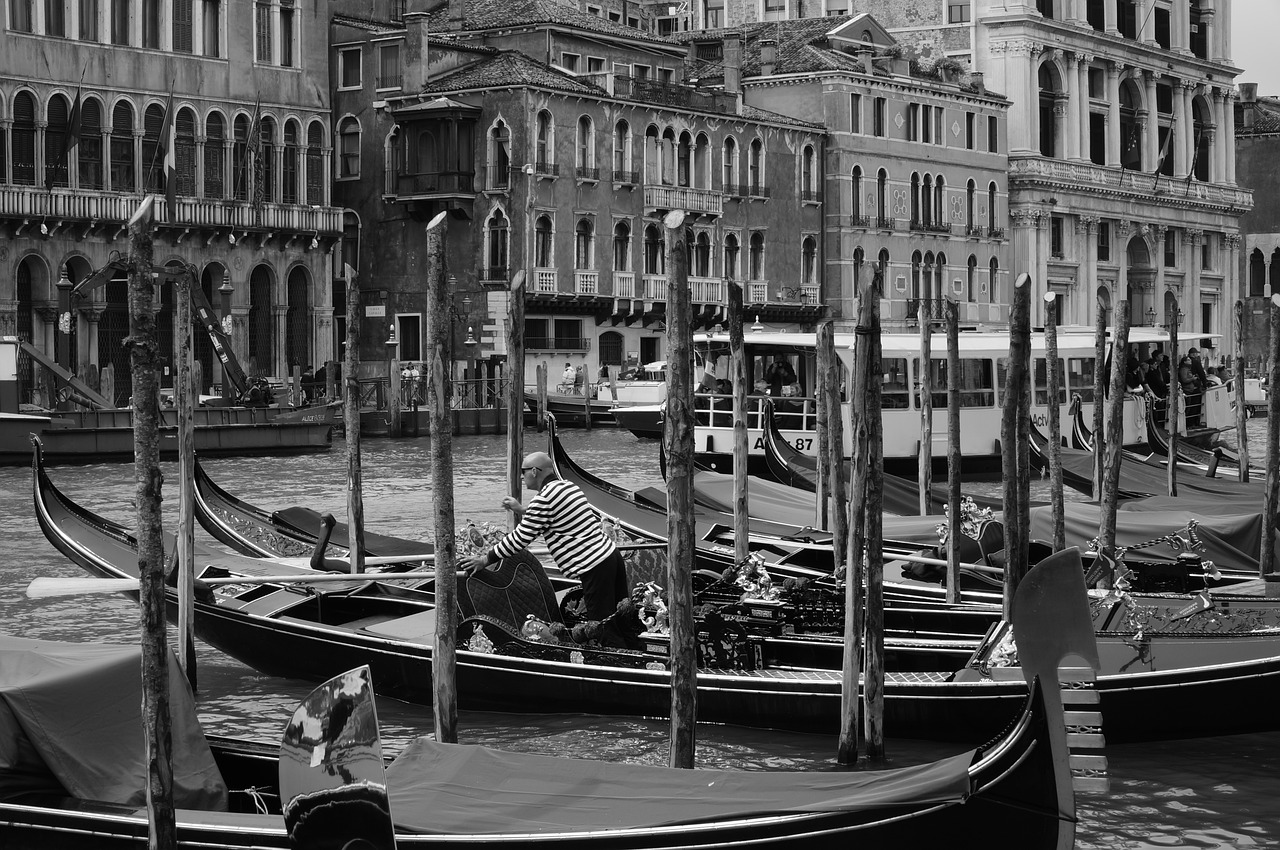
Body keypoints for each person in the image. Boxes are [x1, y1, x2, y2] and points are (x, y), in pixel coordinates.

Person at [462, 452, 632, 648]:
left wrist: (485, 560)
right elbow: (555, 515)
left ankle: (618, 667)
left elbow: (519, 540)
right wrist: (522, 510)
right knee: (621, 618)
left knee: (603, 625)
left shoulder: (543, 500)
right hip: (611, 556)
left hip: (594, 565)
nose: (521, 477)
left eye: (523, 472)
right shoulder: (568, 487)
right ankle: (637, 653)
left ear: (534, 472)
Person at [1178, 355, 1202, 427]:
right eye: (1188, 360)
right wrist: (1192, 379)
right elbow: (1184, 380)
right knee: (1189, 408)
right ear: (1184, 362)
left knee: (1193, 406)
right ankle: (1188, 423)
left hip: (1191, 389)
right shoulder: (1183, 370)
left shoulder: (1188, 369)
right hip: (1187, 390)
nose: (1190, 361)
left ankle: (1192, 422)